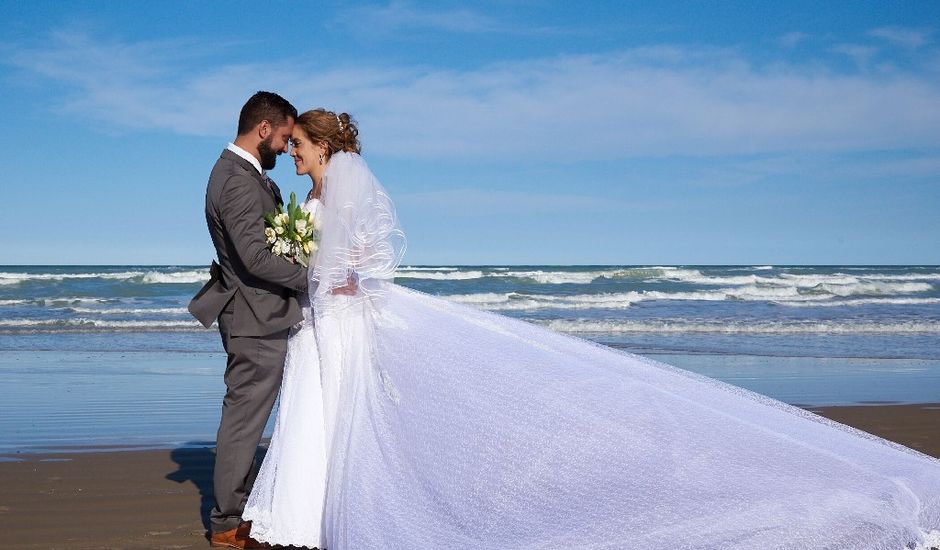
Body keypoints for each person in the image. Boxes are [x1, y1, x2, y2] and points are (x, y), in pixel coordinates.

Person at [247, 109, 940, 550]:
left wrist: (334, 271)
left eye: (301, 145)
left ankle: (323, 516)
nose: (296, 154)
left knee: (345, 415)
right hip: (321, 322)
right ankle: (302, 518)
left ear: (321, 146)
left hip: (342, 319)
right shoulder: (313, 193)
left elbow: (372, 251)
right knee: (321, 416)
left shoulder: (346, 186)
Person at [189, 91, 307, 549]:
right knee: (244, 422)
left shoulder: (242, 174)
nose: (283, 146)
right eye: (281, 137)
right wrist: (312, 275)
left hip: (256, 313)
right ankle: (226, 524)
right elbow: (255, 259)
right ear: (262, 129)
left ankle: (234, 515)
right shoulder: (236, 179)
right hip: (254, 317)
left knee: (246, 417)